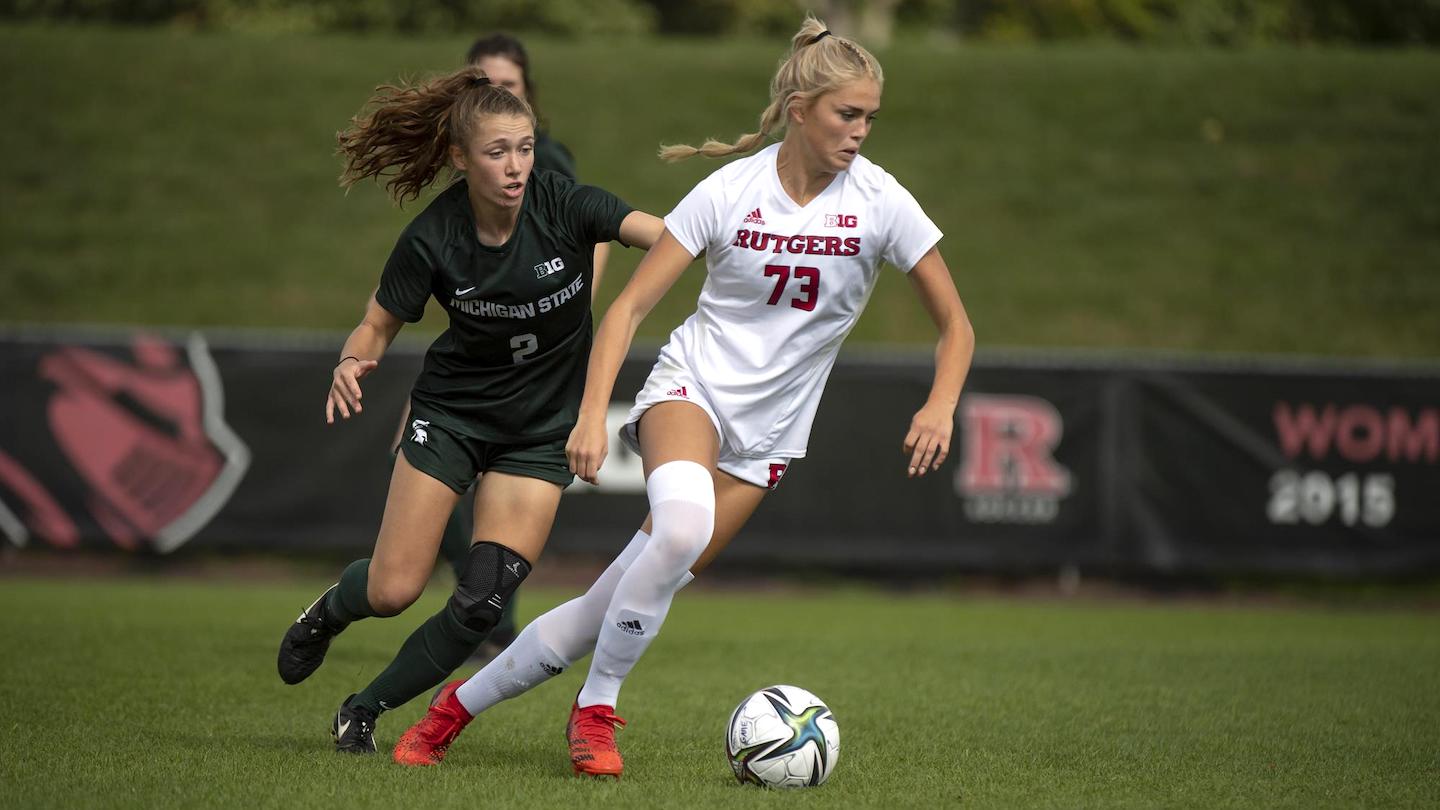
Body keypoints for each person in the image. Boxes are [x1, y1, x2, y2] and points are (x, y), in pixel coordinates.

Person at [392, 14, 975, 775]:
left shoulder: (881, 201)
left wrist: (941, 403)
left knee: (606, 605)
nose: (861, 131)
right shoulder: (729, 190)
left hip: (769, 439)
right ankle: (595, 715)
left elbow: (956, 326)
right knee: (680, 530)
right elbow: (628, 310)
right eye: (847, 114)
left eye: (870, 116)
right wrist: (594, 419)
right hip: (687, 392)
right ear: (800, 111)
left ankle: (449, 712)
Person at [274, 64, 663, 755]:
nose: (515, 167)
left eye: (524, 147)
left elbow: (664, 234)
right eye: (496, 152)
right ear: (460, 158)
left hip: (539, 433)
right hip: (452, 417)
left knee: (482, 601)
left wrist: (736, 234)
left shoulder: (565, 203)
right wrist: (349, 358)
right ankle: (328, 611)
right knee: (394, 588)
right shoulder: (434, 238)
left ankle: (362, 710)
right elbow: (377, 324)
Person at [425, 32, 611, 661]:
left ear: (528, 93)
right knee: (420, 459)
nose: (512, 163)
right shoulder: (468, 164)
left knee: (503, 494)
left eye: (506, 84)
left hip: (533, 362)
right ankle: (473, 605)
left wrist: (577, 308)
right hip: (475, 355)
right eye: (480, 83)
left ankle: (491, 614)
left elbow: (596, 228)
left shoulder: (543, 161)